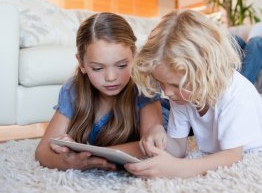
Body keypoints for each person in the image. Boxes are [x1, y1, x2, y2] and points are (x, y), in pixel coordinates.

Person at [124, 10, 262, 178]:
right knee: (257, 104)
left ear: (204, 71)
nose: (167, 93)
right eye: (162, 83)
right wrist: (159, 136)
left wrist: (178, 170)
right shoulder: (181, 94)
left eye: (174, 85)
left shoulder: (234, 93)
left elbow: (232, 156)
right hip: (252, 108)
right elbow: (179, 148)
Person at [35, 12, 169, 170]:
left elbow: (151, 147)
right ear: (82, 64)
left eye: (121, 66)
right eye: (98, 68)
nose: (111, 77)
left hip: (174, 114)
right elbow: (42, 151)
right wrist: (69, 160)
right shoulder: (73, 89)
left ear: (134, 56)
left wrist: (90, 153)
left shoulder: (143, 85)